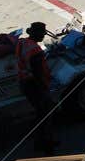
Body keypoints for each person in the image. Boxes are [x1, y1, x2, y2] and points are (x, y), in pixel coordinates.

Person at [13, 22, 58, 150]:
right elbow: (38, 73)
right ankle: (44, 143)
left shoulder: (22, 43)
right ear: (37, 34)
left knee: (41, 113)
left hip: (24, 82)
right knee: (45, 114)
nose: (43, 37)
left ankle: (43, 141)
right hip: (34, 86)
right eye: (42, 34)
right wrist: (45, 89)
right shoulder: (35, 51)